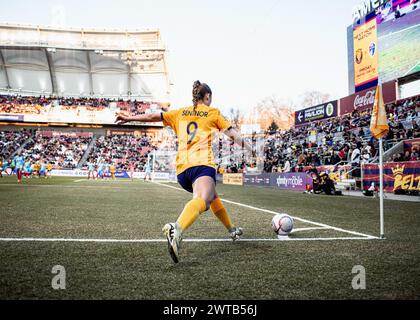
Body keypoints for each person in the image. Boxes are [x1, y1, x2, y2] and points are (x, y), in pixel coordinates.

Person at [116, 80, 252, 263]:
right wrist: (250, 148)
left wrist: (129, 118)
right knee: (203, 200)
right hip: (202, 165)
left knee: (212, 197)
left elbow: (152, 117)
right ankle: (177, 228)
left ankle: (232, 230)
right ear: (207, 96)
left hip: (182, 171)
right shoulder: (213, 112)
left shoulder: (179, 113)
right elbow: (233, 134)